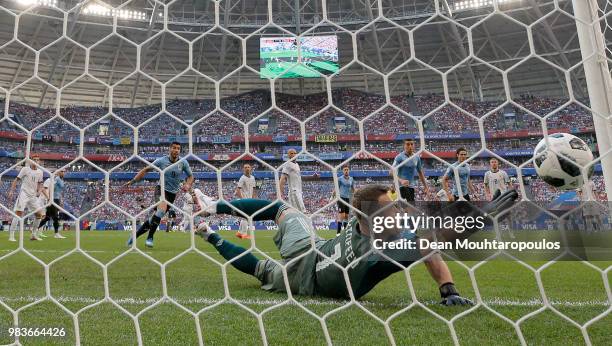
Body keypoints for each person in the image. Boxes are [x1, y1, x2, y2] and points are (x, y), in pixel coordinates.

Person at [194, 185, 518, 301]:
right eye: (392, 207)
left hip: (305, 270)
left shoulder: (372, 225)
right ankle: (212, 208)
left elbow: (427, 242)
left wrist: (448, 288)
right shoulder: (380, 252)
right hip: (308, 257)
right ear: (372, 219)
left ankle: (210, 231)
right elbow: (434, 240)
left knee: (264, 266)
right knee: (278, 222)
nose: (399, 209)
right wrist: (479, 220)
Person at [124, 142, 194, 248]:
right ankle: (150, 237)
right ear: (169, 149)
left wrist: (188, 185)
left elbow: (190, 176)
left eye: (178, 149)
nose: (176, 150)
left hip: (172, 194)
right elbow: (146, 169)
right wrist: (132, 181)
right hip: (160, 189)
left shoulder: (183, 163)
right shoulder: (161, 161)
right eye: (174, 148)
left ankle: (135, 236)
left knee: (154, 218)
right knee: (161, 210)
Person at [7, 155, 47, 242]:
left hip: (33, 196)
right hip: (24, 194)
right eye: (34, 160)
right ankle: (11, 236)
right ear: (31, 161)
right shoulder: (25, 169)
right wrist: (11, 191)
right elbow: (16, 180)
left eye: (37, 160)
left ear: (39, 162)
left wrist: (39, 191)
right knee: (18, 214)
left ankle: (33, 235)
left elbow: (40, 183)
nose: (36, 161)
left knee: (39, 215)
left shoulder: (40, 172)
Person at [38, 169, 66, 239]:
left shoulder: (58, 179)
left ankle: (35, 229)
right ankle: (56, 233)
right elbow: (50, 189)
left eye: (64, 171)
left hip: (55, 199)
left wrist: (60, 199)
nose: (63, 173)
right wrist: (49, 198)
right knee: (56, 217)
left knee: (47, 217)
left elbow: (57, 190)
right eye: (62, 171)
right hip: (53, 199)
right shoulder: (57, 179)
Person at [331, 165, 354, 235]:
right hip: (341, 198)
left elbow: (353, 189)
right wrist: (332, 196)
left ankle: (346, 231)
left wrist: (356, 195)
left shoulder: (351, 179)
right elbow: (336, 188)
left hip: (348, 198)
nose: (346, 171)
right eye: (345, 170)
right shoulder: (340, 179)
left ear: (349, 170)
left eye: (347, 169)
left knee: (346, 216)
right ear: (343, 171)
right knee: (342, 215)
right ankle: (338, 232)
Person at [235, 163, 256, 239]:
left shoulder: (253, 178)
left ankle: (239, 233)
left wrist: (253, 199)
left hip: (250, 200)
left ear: (251, 168)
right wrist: (242, 199)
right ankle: (243, 234)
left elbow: (254, 189)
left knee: (245, 217)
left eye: (248, 167)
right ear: (243, 169)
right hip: (244, 200)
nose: (247, 168)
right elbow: (238, 190)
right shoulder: (242, 178)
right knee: (246, 216)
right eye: (245, 167)